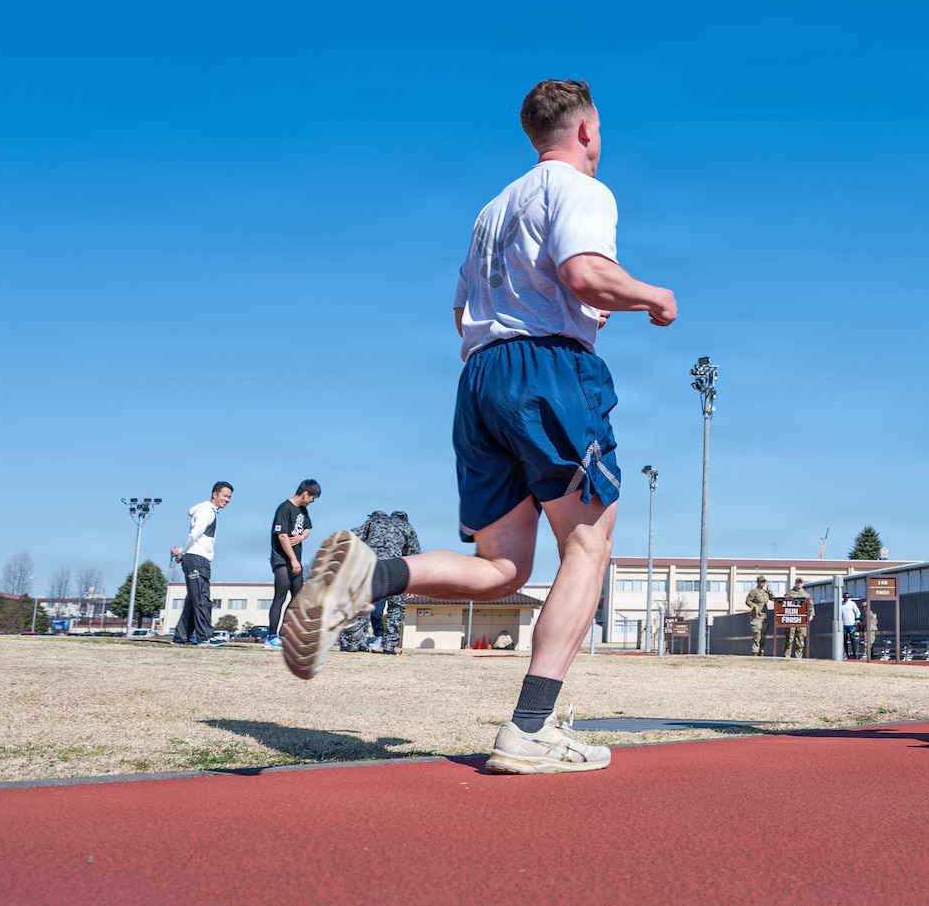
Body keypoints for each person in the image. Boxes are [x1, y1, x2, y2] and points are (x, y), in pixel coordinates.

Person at [280, 79, 677, 777]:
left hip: (481, 375)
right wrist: (650, 297)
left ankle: (373, 576)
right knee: (588, 546)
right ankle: (530, 727)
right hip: (546, 372)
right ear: (585, 131)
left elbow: (466, 311)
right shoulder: (582, 188)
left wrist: (564, 316)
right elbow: (584, 271)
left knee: (502, 569)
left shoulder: (493, 209)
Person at [336, 510, 423, 654]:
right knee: (396, 607)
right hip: (395, 568)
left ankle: (355, 644)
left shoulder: (373, 522)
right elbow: (414, 556)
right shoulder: (407, 527)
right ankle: (389, 646)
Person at [169, 481, 232, 645]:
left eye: (229, 497)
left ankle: (181, 637)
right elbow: (195, 533)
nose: (227, 500)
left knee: (193, 599)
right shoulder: (206, 511)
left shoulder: (210, 511)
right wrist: (182, 552)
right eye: (225, 496)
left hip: (198, 558)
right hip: (196, 558)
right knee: (201, 598)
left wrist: (183, 551)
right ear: (215, 494)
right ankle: (205, 636)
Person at [265, 481, 320, 648]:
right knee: (280, 598)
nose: (312, 501)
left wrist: (302, 537)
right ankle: (271, 637)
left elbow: (308, 528)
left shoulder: (303, 510)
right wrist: (293, 559)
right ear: (305, 493)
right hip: (282, 561)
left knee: (297, 600)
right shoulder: (284, 508)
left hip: (296, 562)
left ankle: (286, 633)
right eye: (312, 497)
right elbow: (282, 536)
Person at [782, 578, 813, 659]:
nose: (799, 584)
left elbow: (811, 606)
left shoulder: (806, 594)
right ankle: (787, 655)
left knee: (800, 639)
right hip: (791, 620)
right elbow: (783, 603)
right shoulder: (790, 593)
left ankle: (798, 656)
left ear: (802, 584)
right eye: (797, 582)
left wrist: (811, 615)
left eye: (800, 582)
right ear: (795, 583)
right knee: (789, 639)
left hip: (801, 620)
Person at [745, 576, 772, 656]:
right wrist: (754, 606)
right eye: (761, 581)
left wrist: (770, 591)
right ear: (758, 582)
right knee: (757, 634)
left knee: (763, 636)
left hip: (764, 616)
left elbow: (773, 598)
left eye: (764, 582)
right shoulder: (754, 592)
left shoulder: (765, 592)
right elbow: (747, 601)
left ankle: (761, 651)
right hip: (756, 616)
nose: (763, 583)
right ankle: (755, 652)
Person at [840, 592, 861, 659]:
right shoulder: (840, 604)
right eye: (845, 597)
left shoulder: (852, 603)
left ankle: (854, 655)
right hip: (844, 625)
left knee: (852, 639)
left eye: (848, 597)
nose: (846, 598)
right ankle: (846, 654)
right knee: (844, 640)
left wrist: (857, 620)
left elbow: (857, 612)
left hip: (851, 624)